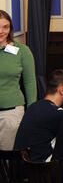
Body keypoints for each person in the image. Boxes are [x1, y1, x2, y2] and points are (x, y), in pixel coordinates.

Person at [14, 70, 63, 161]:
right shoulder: (56, 113)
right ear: (62, 90)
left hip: (21, 164)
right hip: (43, 166)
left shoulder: (34, 106)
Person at [0, 9, 37, 149]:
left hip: (11, 113)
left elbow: (30, 82)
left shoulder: (22, 51)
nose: (1, 31)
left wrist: (31, 113)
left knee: (10, 156)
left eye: (5, 27)